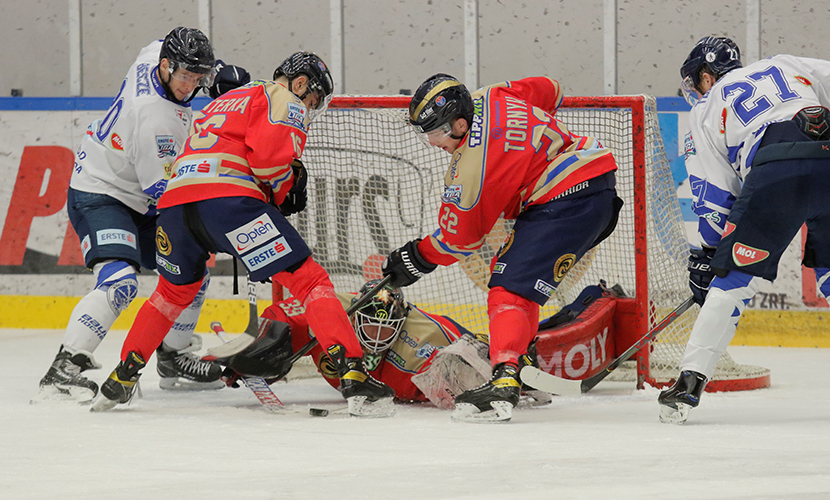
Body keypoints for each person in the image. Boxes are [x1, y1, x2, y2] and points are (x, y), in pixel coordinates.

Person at [90, 51, 397, 418]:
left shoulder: (229, 99)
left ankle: (123, 375)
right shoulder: (284, 98)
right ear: (300, 83)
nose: (309, 107)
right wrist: (286, 188)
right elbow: (270, 161)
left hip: (174, 208)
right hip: (229, 204)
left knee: (170, 294)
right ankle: (354, 373)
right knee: (310, 281)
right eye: (312, 99)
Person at [658, 36, 830, 423]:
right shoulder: (786, 64)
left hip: (777, 166)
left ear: (704, 77)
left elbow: (715, 196)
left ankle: (686, 389)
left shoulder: (706, 108)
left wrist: (710, 256)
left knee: (733, 281)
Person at [380, 74, 621, 422]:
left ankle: (505, 378)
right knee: (521, 289)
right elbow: (551, 87)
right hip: (594, 183)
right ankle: (519, 365)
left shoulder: (469, 168)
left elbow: (458, 242)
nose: (432, 143)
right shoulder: (491, 95)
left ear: (460, 124)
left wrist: (415, 256)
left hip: (566, 200)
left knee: (506, 292)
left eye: (435, 132)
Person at [34, 27, 226, 404]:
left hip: (134, 192)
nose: (190, 85)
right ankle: (63, 371)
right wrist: (211, 224)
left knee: (191, 267)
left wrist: (213, 72)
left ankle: (173, 357)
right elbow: (166, 195)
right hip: (101, 193)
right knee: (121, 282)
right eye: (186, 76)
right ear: (167, 67)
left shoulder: (154, 54)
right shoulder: (158, 122)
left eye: (197, 76)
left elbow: (165, 45)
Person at [209, 280, 550, 410]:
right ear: (355, 318)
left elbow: (469, 351)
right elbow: (283, 315)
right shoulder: (333, 314)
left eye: (386, 328)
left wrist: (504, 371)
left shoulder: (424, 338)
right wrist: (259, 352)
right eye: (369, 325)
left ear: (400, 325)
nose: (376, 336)